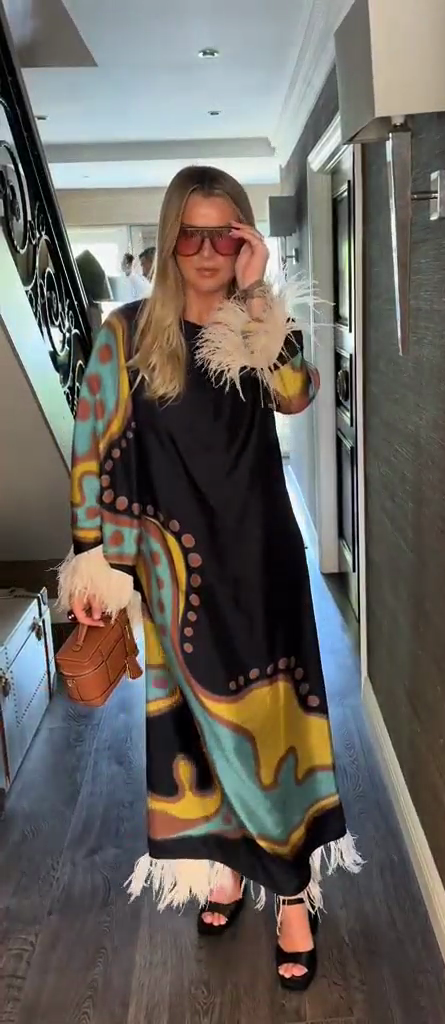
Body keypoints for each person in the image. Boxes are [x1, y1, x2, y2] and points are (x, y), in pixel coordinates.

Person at [59, 166, 361, 991]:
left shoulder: (251, 325)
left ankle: (291, 893)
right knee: (199, 731)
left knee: (271, 726)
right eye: (188, 234)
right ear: (168, 241)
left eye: (223, 234)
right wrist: (93, 563)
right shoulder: (127, 334)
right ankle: (226, 869)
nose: (204, 250)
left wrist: (260, 296)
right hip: (172, 578)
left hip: (261, 563)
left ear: (244, 241)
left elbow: (298, 393)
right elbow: (92, 446)